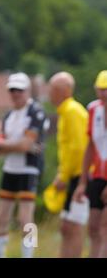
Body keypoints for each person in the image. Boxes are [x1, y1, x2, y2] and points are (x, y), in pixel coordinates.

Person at [0, 73, 47, 258]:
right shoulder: (8, 115)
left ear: (27, 91)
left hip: (28, 170)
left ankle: (28, 255)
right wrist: (19, 145)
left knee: (26, 220)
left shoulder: (36, 112)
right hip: (9, 169)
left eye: (19, 90)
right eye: (12, 90)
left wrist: (9, 145)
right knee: (1, 218)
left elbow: (21, 144)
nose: (15, 93)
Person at [48, 72, 88, 258]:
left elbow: (77, 148)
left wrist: (63, 176)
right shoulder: (66, 112)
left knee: (74, 227)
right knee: (66, 227)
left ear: (64, 91)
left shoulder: (72, 111)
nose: (49, 94)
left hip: (80, 175)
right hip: (72, 173)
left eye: (53, 89)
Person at [74, 70, 107, 258]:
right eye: (100, 90)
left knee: (105, 227)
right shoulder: (94, 109)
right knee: (93, 227)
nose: (104, 94)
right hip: (97, 175)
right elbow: (90, 146)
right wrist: (82, 182)